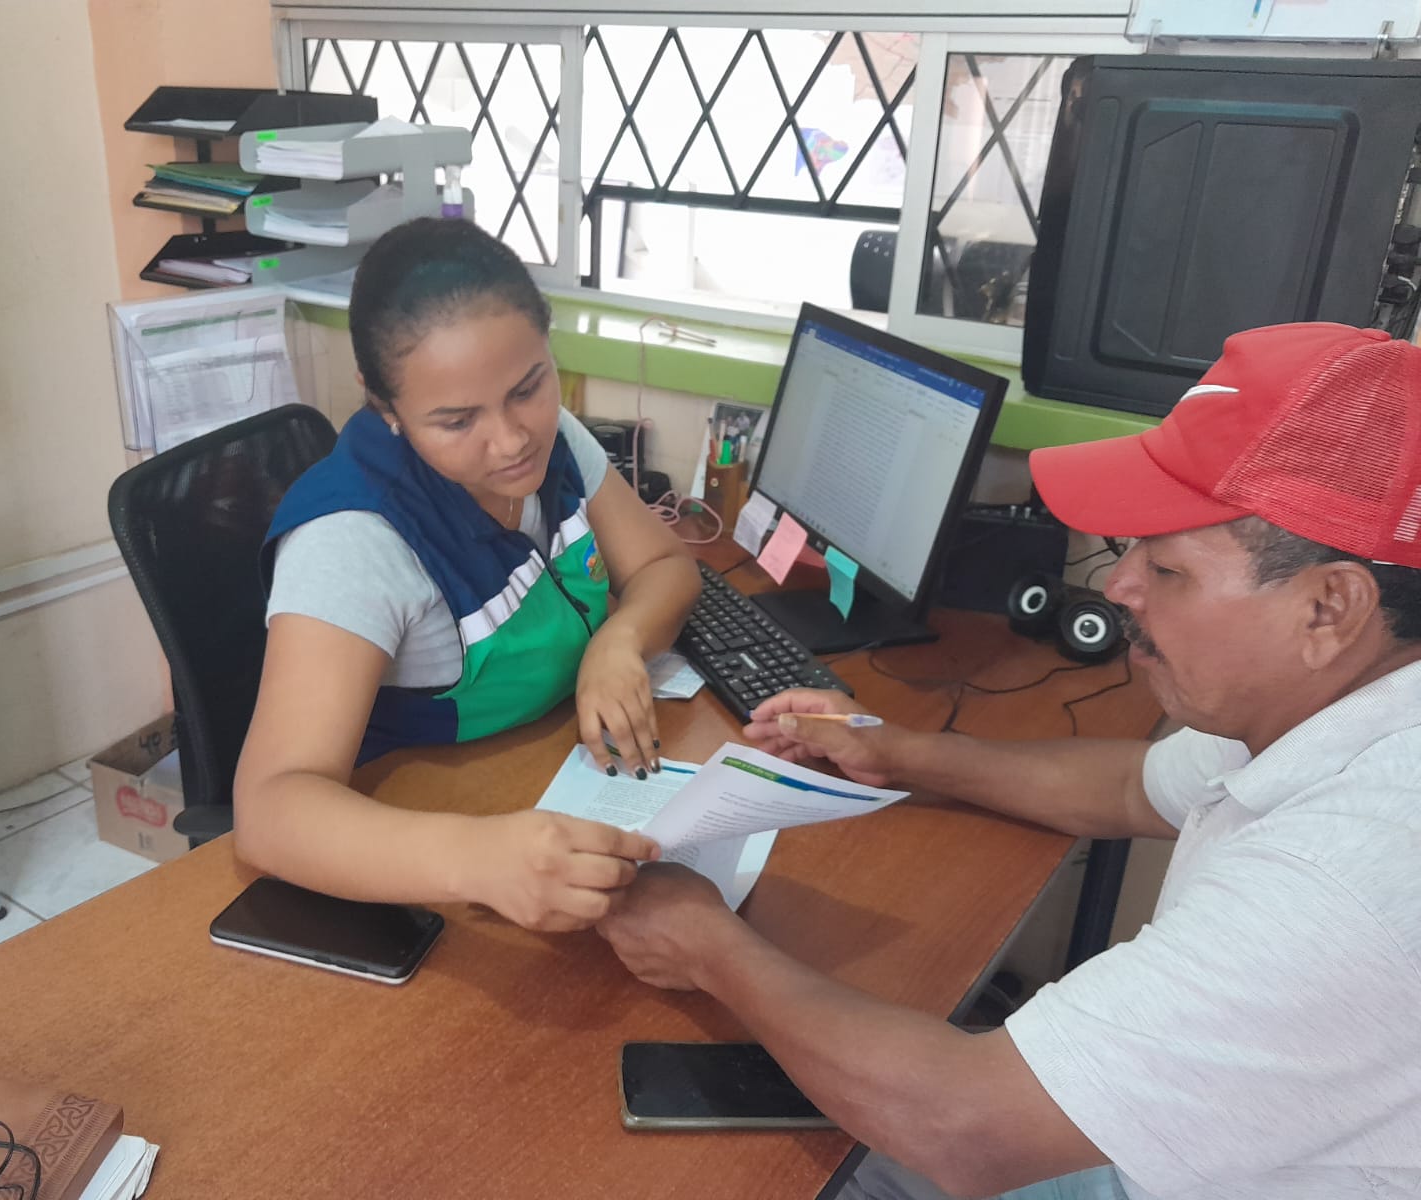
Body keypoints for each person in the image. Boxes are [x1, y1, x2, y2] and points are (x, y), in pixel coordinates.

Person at [596, 322, 1421, 1200]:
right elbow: (1128, 786)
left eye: (1168, 569)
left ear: (1329, 608)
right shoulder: (1328, 701)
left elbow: (963, 1127)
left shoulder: (1348, 877)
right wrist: (894, 750)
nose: (1118, 587)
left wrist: (706, 945)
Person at [233, 219, 700, 932]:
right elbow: (268, 810)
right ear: (384, 406)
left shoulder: (554, 442)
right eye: (456, 422)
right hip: (417, 860)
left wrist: (620, 642)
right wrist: (478, 858)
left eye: (528, 387)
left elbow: (665, 565)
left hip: (532, 776)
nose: (511, 440)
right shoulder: (352, 538)